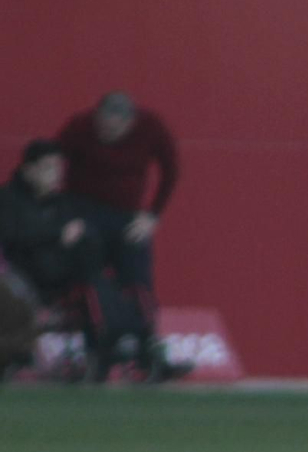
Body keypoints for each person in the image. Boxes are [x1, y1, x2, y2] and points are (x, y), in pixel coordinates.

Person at [55, 92, 188, 381]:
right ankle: (95, 352)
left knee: (138, 282)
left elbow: (171, 169)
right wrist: (67, 216)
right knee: (92, 282)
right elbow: (53, 165)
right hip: (85, 211)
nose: (108, 133)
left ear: (130, 121)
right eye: (104, 125)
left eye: (115, 127)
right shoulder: (79, 127)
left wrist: (153, 215)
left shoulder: (150, 127)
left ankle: (147, 352)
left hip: (128, 216)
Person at [0, 140, 128, 376]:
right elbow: (12, 236)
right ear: (29, 170)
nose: (55, 175)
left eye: (58, 169)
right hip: (21, 276)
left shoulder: (63, 203)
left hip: (60, 274)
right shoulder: (8, 199)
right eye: (49, 168)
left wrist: (80, 235)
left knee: (95, 274)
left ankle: (110, 343)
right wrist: (57, 234)